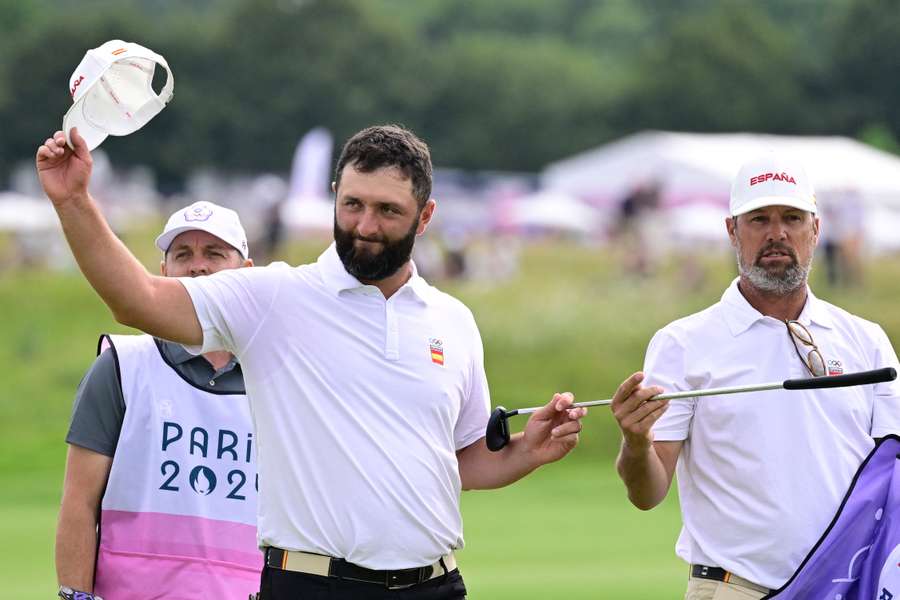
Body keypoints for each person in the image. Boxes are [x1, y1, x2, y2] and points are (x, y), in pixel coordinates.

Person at [37, 124, 586, 600]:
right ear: (334, 198)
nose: (365, 225)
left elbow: (459, 465)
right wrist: (74, 202)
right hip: (312, 586)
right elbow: (137, 300)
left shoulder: (453, 322)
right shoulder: (276, 297)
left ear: (425, 217)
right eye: (352, 205)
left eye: (387, 210)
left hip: (435, 585)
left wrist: (527, 452)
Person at [611, 153, 900, 599]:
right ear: (732, 231)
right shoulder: (683, 343)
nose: (777, 234)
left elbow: (892, 473)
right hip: (735, 588)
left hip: (846, 587)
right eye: (759, 219)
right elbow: (648, 492)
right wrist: (635, 443)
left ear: (816, 229)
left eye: (792, 218)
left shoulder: (866, 340)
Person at [55, 201, 260, 600]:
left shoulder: (278, 376)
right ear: (163, 272)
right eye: (182, 254)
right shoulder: (122, 367)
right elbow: (79, 504)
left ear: (245, 272)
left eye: (214, 254)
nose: (198, 266)